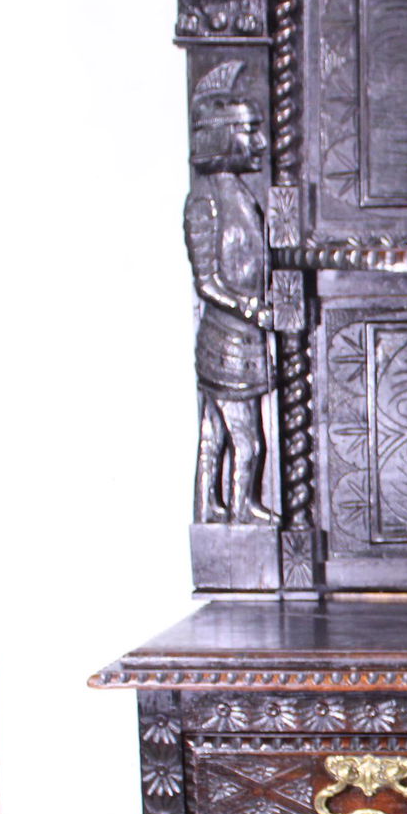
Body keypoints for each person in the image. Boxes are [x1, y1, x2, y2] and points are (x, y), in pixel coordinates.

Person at [185, 61, 276, 525]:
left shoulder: (241, 195)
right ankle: (239, 509)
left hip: (245, 334)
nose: (259, 142)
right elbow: (206, 281)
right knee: (246, 439)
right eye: (249, 131)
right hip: (228, 337)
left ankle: (211, 507)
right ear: (222, 137)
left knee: (214, 431)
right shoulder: (205, 201)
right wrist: (251, 308)